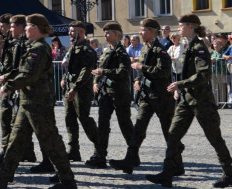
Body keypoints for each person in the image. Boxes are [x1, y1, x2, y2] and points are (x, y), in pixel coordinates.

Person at [0, 14, 76, 189]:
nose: (25, 29)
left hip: (38, 102)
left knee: (51, 141)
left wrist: (8, 86)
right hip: (28, 100)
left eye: (28, 26)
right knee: (15, 141)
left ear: (37, 28)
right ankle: (2, 179)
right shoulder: (32, 47)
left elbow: (29, 74)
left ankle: (67, 180)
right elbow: (22, 70)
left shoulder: (39, 48)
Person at [147, 14, 232, 189]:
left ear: (191, 26)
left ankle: (229, 173)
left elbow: (203, 75)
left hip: (201, 100)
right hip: (186, 100)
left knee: (214, 138)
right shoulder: (187, 45)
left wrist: (180, 84)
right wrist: (180, 89)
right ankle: (167, 173)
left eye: (181, 26)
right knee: (173, 135)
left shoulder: (199, 47)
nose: (179, 29)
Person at [110, 18, 173, 174]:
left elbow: (163, 72)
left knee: (168, 131)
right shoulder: (145, 49)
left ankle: (175, 163)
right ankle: (129, 161)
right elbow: (141, 72)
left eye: (143, 30)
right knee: (138, 128)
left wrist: (141, 66)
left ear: (152, 31)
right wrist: (138, 80)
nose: (140, 32)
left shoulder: (160, 50)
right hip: (146, 96)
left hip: (160, 96)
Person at [0, 15, 35, 168]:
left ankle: (9, 153)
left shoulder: (24, 44)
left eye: (9, 26)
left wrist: (8, 80)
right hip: (9, 84)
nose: (5, 29)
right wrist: (0, 71)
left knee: (19, 123)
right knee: (12, 120)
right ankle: (20, 152)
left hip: (16, 86)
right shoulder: (9, 42)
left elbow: (21, 69)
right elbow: (7, 63)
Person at [88, 21, 133, 168]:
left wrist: (104, 72)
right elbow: (100, 68)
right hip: (105, 92)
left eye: (108, 33)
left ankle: (133, 154)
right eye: (105, 32)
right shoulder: (107, 50)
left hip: (119, 93)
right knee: (102, 124)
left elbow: (124, 72)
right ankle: (100, 155)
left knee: (125, 124)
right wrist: (95, 81)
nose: (105, 35)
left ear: (116, 34)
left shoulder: (122, 52)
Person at [59, 21, 99, 164]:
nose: (70, 34)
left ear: (81, 32)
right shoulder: (72, 48)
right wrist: (64, 79)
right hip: (70, 87)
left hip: (81, 90)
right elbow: (70, 68)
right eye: (69, 31)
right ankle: (74, 151)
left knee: (84, 118)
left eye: (72, 31)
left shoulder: (87, 50)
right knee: (69, 119)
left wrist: (75, 88)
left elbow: (85, 71)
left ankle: (99, 148)